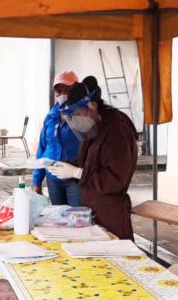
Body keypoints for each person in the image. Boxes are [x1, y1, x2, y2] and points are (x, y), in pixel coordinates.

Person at [48, 76, 138, 240]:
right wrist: (65, 165)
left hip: (111, 213)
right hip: (92, 208)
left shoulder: (116, 130)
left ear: (92, 106)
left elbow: (116, 180)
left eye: (77, 114)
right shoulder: (94, 126)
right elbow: (88, 162)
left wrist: (77, 173)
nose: (75, 120)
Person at [32, 71, 82, 206]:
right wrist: (37, 181)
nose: (61, 94)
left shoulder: (83, 115)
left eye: (66, 89)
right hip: (53, 180)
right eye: (58, 90)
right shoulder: (51, 116)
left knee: (76, 219)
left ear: (75, 91)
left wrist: (78, 172)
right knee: (58, 220)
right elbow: (42, 149)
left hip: (74, 181)